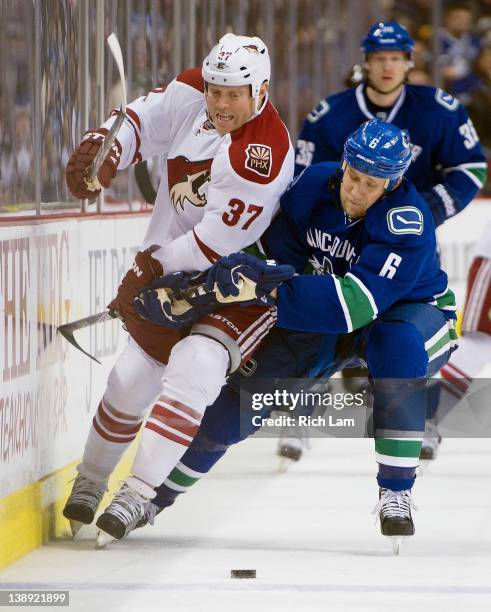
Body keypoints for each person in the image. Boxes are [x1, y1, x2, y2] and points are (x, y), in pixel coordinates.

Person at [139, 119, 458, 548]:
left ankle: (396, 492)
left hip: (409, 314)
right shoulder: (311, 185)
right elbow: (271, 260)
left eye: (372, 184)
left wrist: (265, 287)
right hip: (323, 310)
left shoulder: (407, 223)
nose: (357, 192)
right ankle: (154, 495)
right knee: (248, 395)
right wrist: (213, 282)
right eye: (354, 177)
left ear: (395, 181)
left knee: (395, 347)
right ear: (344, 164)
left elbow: (356, 306)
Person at [62, 33, 294, 543]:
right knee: (128, 381)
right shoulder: (192, 93)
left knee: (196, 368)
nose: (221, 103)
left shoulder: (264, 153)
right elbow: (141, 121)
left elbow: (212, 245)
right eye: (216, 90)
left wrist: (149, 269)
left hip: (239, 285)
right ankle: (91, 481)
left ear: (261, 90)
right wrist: (106, 150)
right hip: (168, 267)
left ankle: (137, 493)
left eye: (235, 93)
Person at [292, 20, 487, 461]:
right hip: (338, 237)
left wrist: (429, 214)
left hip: (406, 242)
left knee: (413, 328)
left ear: (408, 63)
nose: (387, 67)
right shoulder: (331, 114)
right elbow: (305, 178)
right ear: (365, 62)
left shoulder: (439, 109)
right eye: (379, 58)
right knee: (323, 317)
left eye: (396, 58)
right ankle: (302, 414)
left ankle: (424, 421)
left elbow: (470, 169)